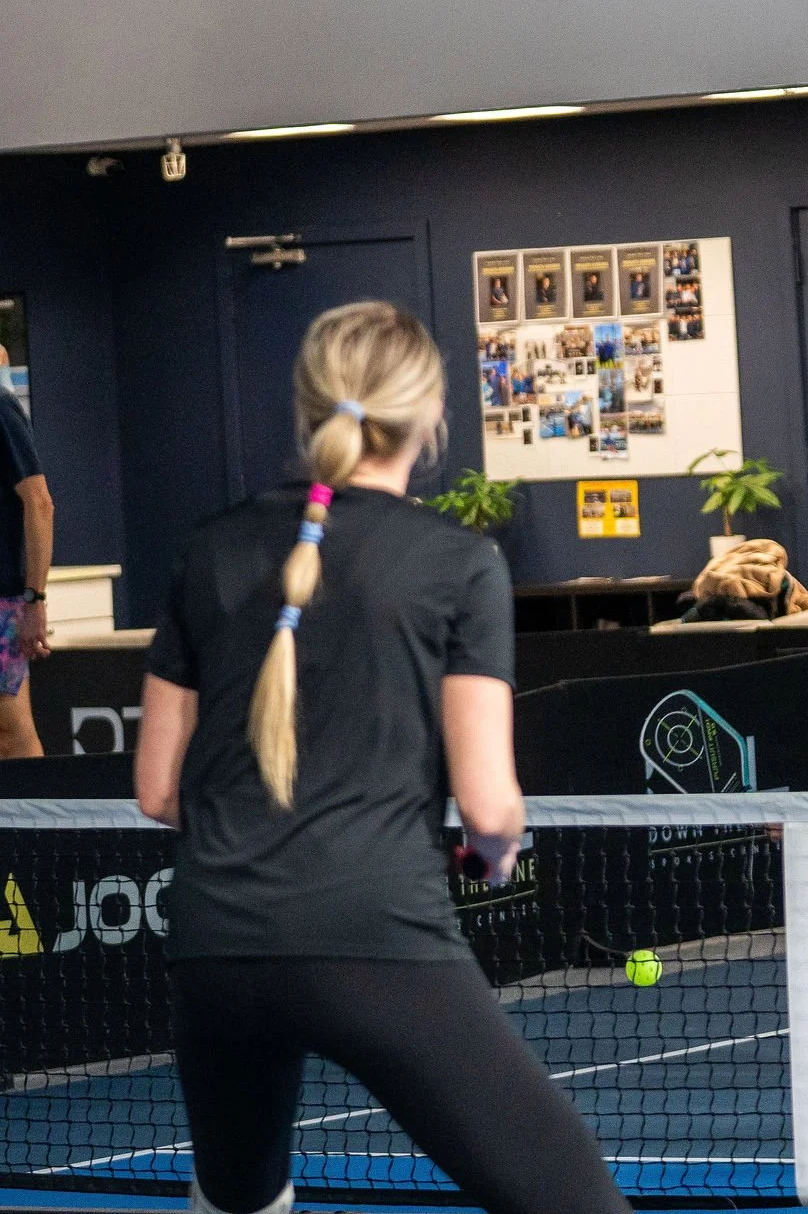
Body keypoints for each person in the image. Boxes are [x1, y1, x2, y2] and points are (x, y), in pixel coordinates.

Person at [133, 302, 628, 1214]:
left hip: (216, 947)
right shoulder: (459, 562)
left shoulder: (208, 548)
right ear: (431, 418)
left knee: (239, 1202)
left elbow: (159, 788)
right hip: (377, 939)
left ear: (306, 407)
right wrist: (495, 851)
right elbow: (489, 807)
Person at [0, 368, 52, 758]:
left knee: (11, 731)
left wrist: (35, 600)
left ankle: (33, 820)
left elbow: (39, 503)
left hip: (3, 600)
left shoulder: (1, 408)